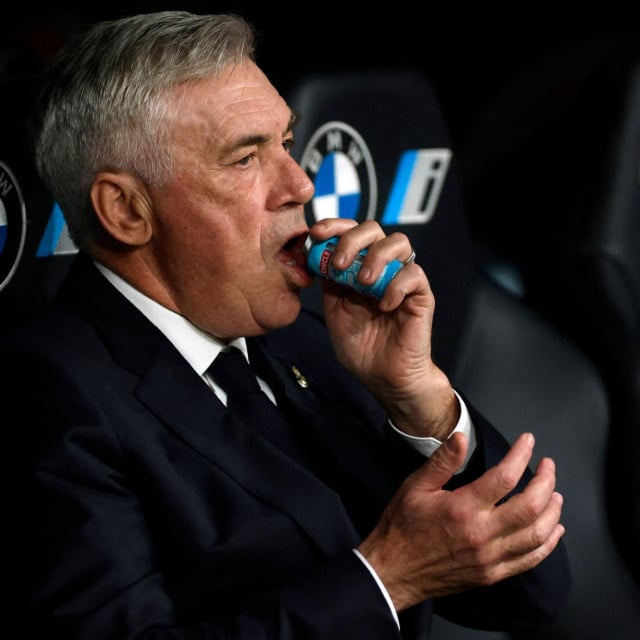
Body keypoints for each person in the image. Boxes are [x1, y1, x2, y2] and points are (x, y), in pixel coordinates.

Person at [0, 10, 570, 640]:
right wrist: (388, 578)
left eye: (288, 145)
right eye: (245, 159)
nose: (300, 184)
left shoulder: (308, 337)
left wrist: (419, 400)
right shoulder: (45, 392)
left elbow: (530, 595)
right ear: (127, 211)